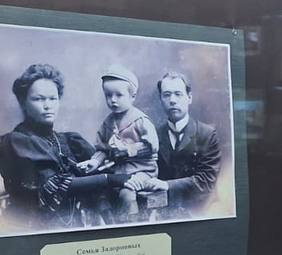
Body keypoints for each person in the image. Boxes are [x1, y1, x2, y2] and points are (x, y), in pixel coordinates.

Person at [0, 64, 125, 229]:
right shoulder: (17, 142)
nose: (47, 105)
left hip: (73, 226)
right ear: (23, 102)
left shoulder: (69, 141)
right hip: (30, 229)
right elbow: (57, 186)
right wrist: (109, 179)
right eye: (38, 99)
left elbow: (96, 181)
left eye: (53, 98)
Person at [125, 71, 222, 214]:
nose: (172, 100)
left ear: (189, 98)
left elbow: (206, 180)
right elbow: (147, 170)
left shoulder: (207, 134)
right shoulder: (153, 136)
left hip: (202, 208)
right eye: (166, 95)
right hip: (165, 210)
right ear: (161, 99)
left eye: (178, 94)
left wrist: (166, 185)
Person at [76, 64, 158, 220]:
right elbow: (102, 148)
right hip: (118, 172)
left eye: (119, 95)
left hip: (142, 170)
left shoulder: (141, 120)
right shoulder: (108, 122)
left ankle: (131, 223)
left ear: (132, 96)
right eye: (108, 95)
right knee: (99, 191)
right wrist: (95, 161)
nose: (112, 100)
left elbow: (152, 147)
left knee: (127, 193)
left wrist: (128, 149)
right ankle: (109, 223)